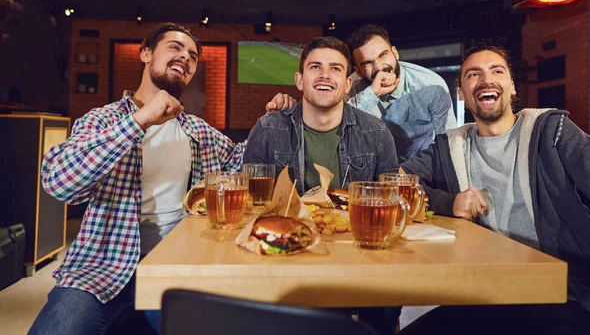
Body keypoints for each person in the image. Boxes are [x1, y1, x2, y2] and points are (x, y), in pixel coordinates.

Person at [28, 23, 248, 335]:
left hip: (175, 269)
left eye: (192, 56)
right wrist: (140, 120)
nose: (185, 57)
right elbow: (59, 183)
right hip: (100, 268)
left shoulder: (197, 130)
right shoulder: (103, 120)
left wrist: (274, 121)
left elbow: (240, 162)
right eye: (174, 47)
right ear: (145, 54)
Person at [399, 45, 590, 335]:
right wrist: (449, 201)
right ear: (461, 93)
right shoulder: (449, 147)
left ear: (512, 87)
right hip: (485, 291)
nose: (486, 80)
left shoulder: (552, 132)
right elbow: (392, 182)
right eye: (473, 74)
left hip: (562, 292)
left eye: (497, 71)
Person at [244, 37, 401, 335]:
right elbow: (250, 206)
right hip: (288, 256)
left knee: (387, 297)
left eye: (335, 68)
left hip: (359, 256)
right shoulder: (267, 129)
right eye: (315, 67)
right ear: (300, 80)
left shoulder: (377, 132)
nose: (325, 74)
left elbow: (391, 202)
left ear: (347, 84)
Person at [346, 24, 457, 161]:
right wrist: (371, 94)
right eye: (367, 63)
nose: (379, 67)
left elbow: (449, 141)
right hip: (375, 168)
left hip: (423, 167)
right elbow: (343, 132)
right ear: (359, 71)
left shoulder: (429, 84)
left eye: (383, 55)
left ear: (395, 53)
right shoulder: (353, 87)